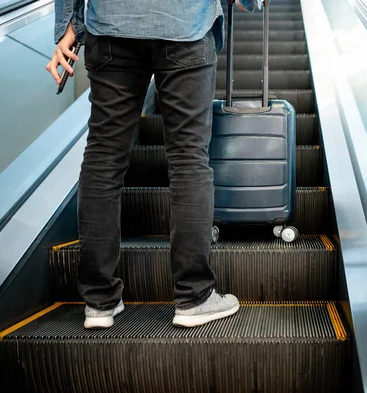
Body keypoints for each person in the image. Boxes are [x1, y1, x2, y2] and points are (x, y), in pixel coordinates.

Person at [46, 0, 259, 329]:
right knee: (188, 157)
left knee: (103, 158)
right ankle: (194, 296)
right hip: (185, 24)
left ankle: (99, 302)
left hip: (112, 24)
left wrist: (68, 24)